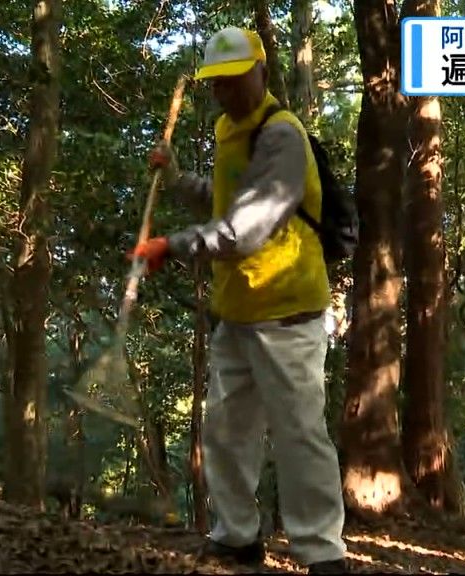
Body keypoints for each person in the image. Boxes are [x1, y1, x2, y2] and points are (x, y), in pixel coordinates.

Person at [134, 26, 347, 574]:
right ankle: (236, 537)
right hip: (238, 309)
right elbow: (227, 196)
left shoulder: (282, 134)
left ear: (261, 72)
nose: (224, 91)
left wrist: (172, 246)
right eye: (216, 83)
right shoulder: (232, 129)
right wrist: (179, 179)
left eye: (234, 79)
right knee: (227, 431)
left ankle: (321, 552)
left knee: (300, 433)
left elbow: (246, 227)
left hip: (286, 307)